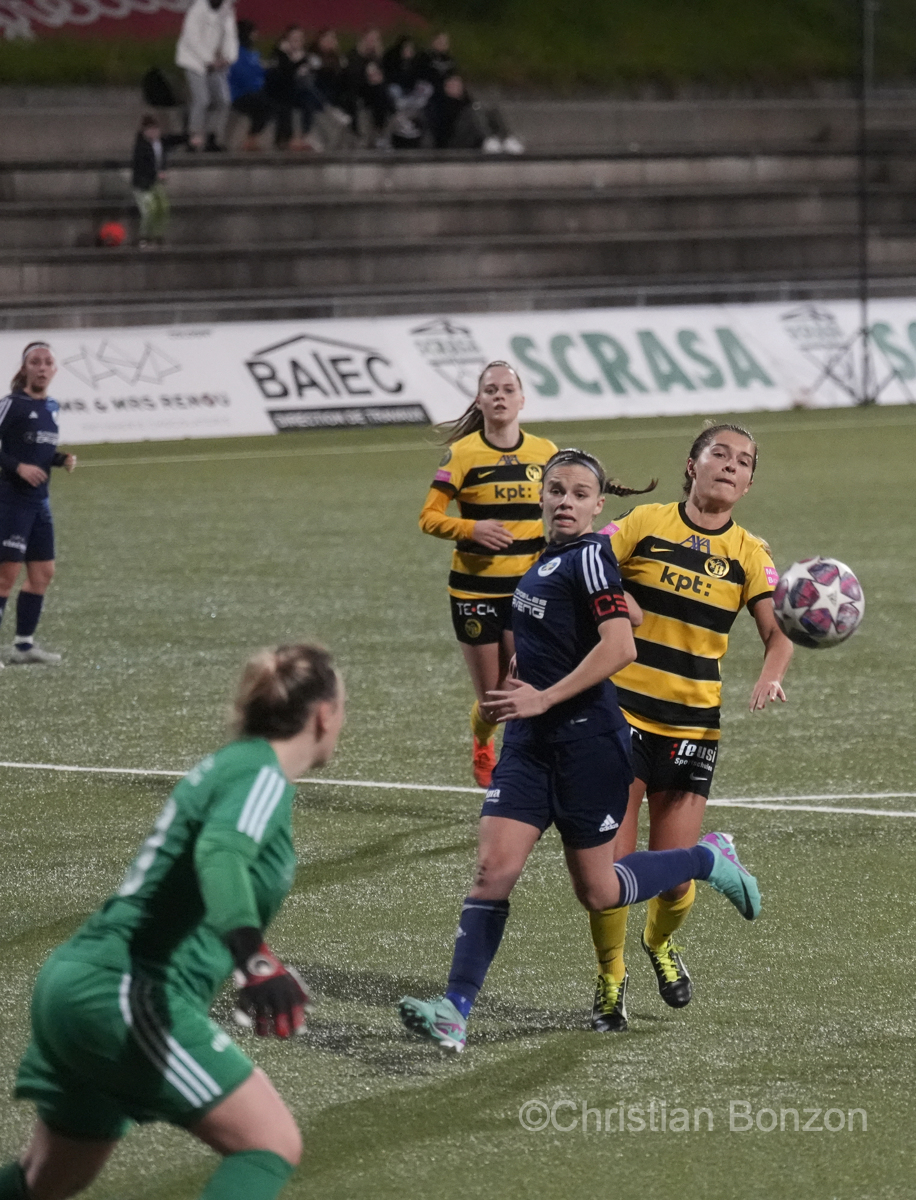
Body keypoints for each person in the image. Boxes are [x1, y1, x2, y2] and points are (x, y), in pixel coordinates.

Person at [399, 449, 762, 1053]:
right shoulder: (548, 560)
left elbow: (620, 645)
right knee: (494, 869)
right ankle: (455, 1011)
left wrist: (546, 695)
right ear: (542, 498)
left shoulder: (592, 553)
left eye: (578, 493)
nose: (564, 500)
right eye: (556, 490)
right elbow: (630, 615)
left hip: (587, 747)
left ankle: (705, 859)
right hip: (528, 749)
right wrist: (525, 675)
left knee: (598, 891)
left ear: (598, 507)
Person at [0, 643, 345, 1200]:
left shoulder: (234, 767)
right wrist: (252, 960)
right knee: (269, 1143)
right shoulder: (261, 775)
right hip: (123, 990)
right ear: (324, 713)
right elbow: (220, 854)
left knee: (46, 1180)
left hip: (77, 985)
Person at [586, 424, 793, 1033]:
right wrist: (616, 599)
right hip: (619, 715)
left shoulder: (751, 553)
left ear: (750, 482)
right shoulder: (645, 522)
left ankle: (660, 943)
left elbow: (777, 631)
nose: (730, 465)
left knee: (673, 875)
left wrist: (770, 674)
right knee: (614, 870)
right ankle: (610, 979)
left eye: (743, 461)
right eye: (719, 453)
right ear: (692, 464)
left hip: (692, 727)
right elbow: (587, 564)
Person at [419, 362, 557, 788]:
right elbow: (429, 517)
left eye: (508, 389)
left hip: (526, 592)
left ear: (521, 400)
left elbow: (562, 509)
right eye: (491, 389)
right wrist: (471, 528)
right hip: (473, 590)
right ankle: (483, 739)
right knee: (493, 699)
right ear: (480, 400)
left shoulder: (545, 452)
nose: (499, 396)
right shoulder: (463, 455)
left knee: (521, 683)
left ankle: (523, 768)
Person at [0, 343, 75, 667]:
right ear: (25, 368)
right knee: (5, 576)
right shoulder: (12, 404)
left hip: (39, 503)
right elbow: (17, 457)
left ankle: (23, 646)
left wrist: (60, 459)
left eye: (47, 363)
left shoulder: (53, 407)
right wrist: (16, 467)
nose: (42, 368)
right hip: (12, 500)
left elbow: (38, 451)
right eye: (35, 362)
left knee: (43, 573)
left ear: (54, 370)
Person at [176, 0, 238, 152]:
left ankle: (212, 137)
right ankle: (193, 138)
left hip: (216, 63)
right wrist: (209, 60)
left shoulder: (227, 10)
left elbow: (230, 37)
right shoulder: (197, 9)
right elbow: (192, 39)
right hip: (194, 61)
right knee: (202, 100)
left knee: (223, 100)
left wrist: (228, 58)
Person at [228, 20, 276, 151]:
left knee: (273, 103)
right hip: (239, 94)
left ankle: (253, 139)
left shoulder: (252, 53)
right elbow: (242, 76)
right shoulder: (236, 53)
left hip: (254, 91)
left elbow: (259, 71)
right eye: (253, 32)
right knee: (265, 106)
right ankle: (250, 140)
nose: (256, 35)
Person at [131, 114, 170, 247]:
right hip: (142, 184)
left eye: (155, 129)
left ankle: (158, 235)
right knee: (149, 210)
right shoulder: (141, 146)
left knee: (163, 207)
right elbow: (142, 165)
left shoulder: (160, 143)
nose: (153, 133)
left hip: (154, 182)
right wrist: (157, 173)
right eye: (150, 130)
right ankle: (144, 237)